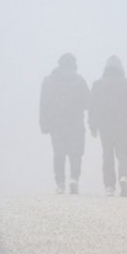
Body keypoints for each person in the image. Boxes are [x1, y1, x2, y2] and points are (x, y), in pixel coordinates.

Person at [40, 53, 90, 194]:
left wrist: (43, 123)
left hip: (56, 122)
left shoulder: (48, 81)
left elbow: (43, 103)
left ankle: (60, 183)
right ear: (74, 65)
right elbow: (88, 102)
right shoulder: (79, 80)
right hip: (75, 121)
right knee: (76, 152)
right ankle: (74, 178)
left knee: (59, 153)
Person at [88, 55, 127, 196]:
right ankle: (124, 176)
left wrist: (92, 125)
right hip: (122, 123)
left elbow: (92, 106)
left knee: (107, 154)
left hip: (104, 124)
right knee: (123, 153)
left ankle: (109, 186)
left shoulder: (97, 84)